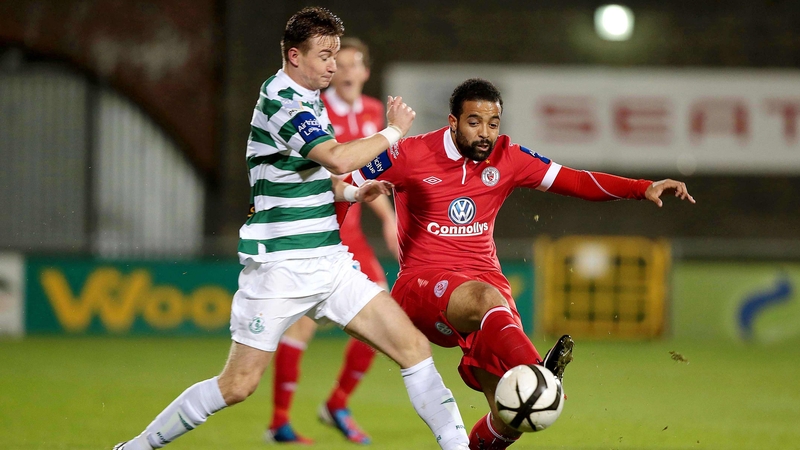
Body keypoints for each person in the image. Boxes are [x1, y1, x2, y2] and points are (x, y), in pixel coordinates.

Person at [112, 7, 471, 450]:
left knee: (413, 349)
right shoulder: (282, 101)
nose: (333, 66)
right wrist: (394, 131)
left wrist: (353, 194)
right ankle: (136, 447)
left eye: (336, 55)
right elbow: (337, 157)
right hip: (280, 268)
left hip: (330, 261)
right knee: (237, 385)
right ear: (294, 56)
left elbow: (317, 176)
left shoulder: (311, 97)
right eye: (324, 55)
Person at [349, 78, 696, 450]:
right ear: (452, 121)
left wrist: (642, 188)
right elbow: (343, 185)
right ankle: (541, 371)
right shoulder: (411, 154)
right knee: (494, 313)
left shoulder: (508, 157)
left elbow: (574, 180)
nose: (486, 133)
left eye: (493, 124)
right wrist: (330, 249)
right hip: (423, 285)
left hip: (486, 290)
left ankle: (515, 400)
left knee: (513, 414)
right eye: (474, 122)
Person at [265, 37, 398, 445]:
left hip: (351, 232)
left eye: (354, 64)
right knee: (302, 328)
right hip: (315, 231)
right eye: (337, 63)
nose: (345, 71)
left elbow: (371, 174)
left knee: (383, 318)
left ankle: (337, 403)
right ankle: (280, 422)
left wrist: (390, 219)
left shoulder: (374, 112)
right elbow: (334, 168)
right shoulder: (316, 112)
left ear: (365, 72)